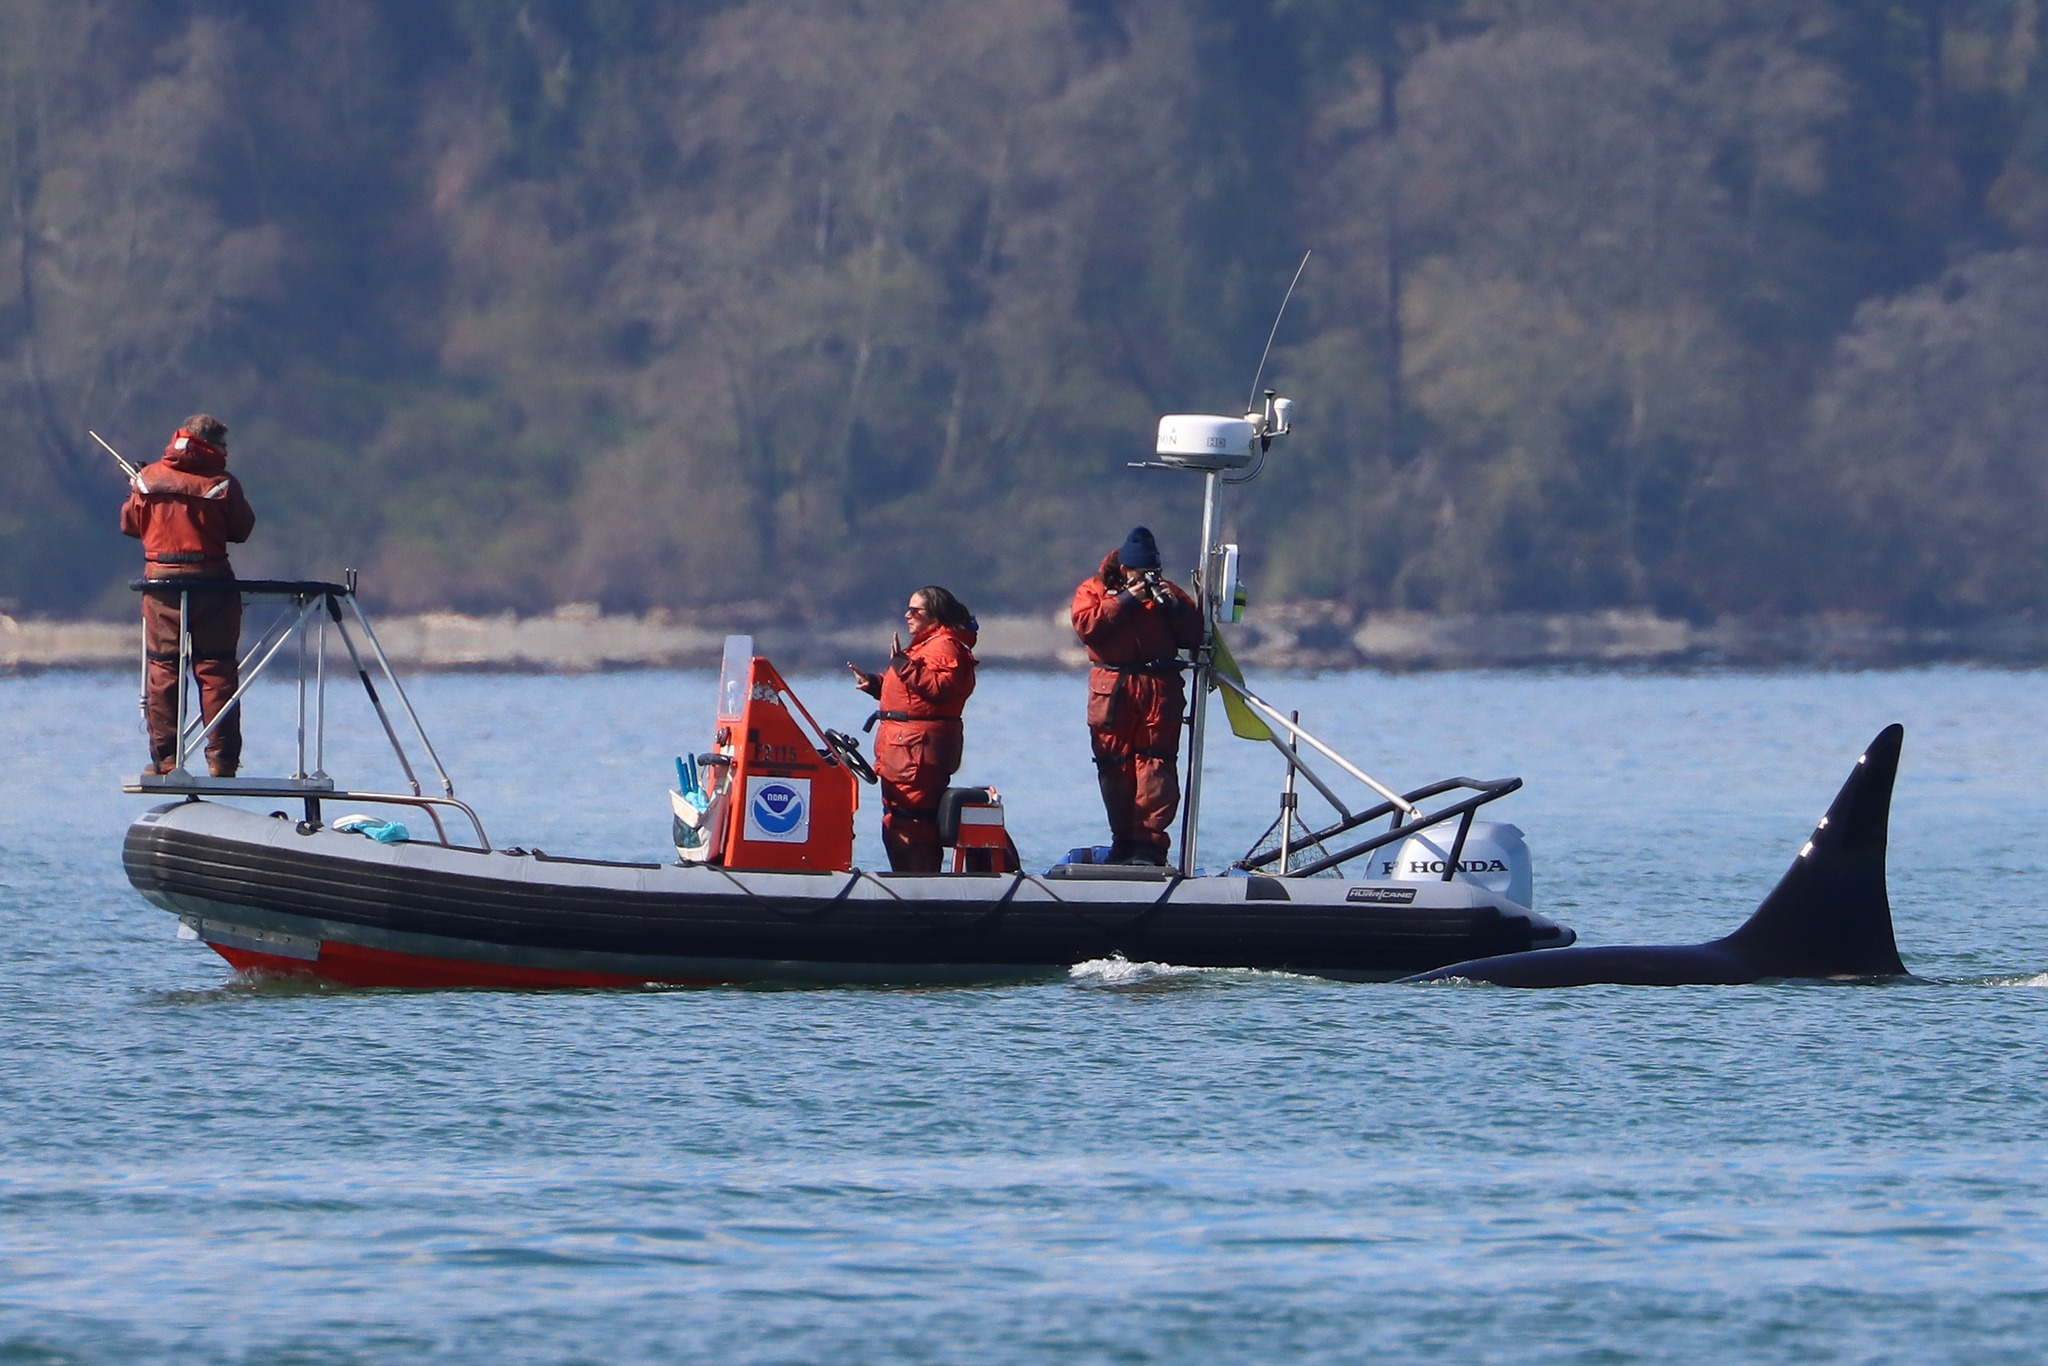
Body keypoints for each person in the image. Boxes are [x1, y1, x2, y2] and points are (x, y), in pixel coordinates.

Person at [120, 415, 255, 778]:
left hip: (160, 587)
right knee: (216, 669)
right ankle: (222, 762)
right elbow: (242, 530)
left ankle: (166, 761)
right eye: (225, 446)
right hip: (213, 585)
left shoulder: (147, 479)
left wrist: (139, 488)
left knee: (164, 669)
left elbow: (129, 526)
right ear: (211, 445)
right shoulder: (222, 484)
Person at [1070, 526, 1204, 865]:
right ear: (1125, 569)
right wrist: (1127, 600)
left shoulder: (1167, 592)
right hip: (1113, 687)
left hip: (1158, 688)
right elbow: (1087, 626)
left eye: (1153, 572)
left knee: (1155, 766)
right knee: (1113, 767)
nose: (1148, 578)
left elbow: (1195, 634)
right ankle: (1123, 841)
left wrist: (1173, 608)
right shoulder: (1094, 590)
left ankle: (1150, 845)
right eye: (1142, 572)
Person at [847, 586, 979, 871]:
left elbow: (942, 688)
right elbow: (914, 694)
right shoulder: (926, 645)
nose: (907, 615)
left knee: (912, 824)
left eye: (915, 610)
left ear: (935, 614)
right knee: (898, 821)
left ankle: (921, 889)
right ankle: (912, 883)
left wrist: (902, 665)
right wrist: (876, 684)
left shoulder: (945, 646)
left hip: (916, 754)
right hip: (903, 751)